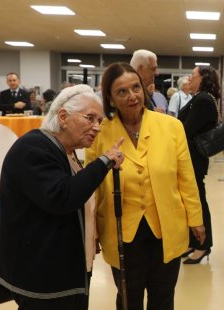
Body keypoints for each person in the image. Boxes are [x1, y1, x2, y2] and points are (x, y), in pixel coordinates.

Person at [0, 84, 125, 309]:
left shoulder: (64, 150)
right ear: (63, 116)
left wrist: (90, 236)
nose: (96, 127)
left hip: (61, 266)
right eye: (90, 118)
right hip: (41, 272)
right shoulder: (34, 148)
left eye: (99, 121)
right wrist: (103, 162)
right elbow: (62, 197)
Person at [85, 62, 205, 310]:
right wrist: (92, 229)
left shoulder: (171, 127)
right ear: (110, 97)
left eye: (136, 88)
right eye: (122, 92)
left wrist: (196, 218)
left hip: (165, 227)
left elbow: (186, 178)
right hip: (121, 230)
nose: (132, 96)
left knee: (163, 297)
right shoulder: (100, 133)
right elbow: (92, 186)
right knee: (128, 297)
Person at [177, 66, 221, 264]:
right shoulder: (201, 98)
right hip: (191, 158)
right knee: (191, 201)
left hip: (193, 159)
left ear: (203, 79)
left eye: (193, 76)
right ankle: (193, 242)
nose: (189, 79)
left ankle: (203, 245)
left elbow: (185, 129)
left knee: (197, 201)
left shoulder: (203, 100)